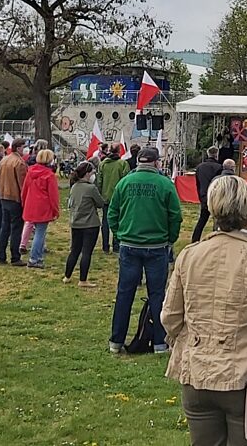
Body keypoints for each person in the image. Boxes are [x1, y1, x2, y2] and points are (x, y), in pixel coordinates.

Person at [162, 174, 247, 445]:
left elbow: (169, 316)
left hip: (197, 374)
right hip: (243, 376)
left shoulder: (190, 255)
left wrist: (180, 342)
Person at [107, 147, 182, 354]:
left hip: (129, 246)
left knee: (124, 294)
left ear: (138, 161)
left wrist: (121, 233)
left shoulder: (124, 183)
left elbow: (112, 213)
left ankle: (116, 341)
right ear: (157, 162)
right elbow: (175, 216)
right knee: (157, 295)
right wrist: (170, 239)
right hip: (157, 246)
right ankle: (159, 343)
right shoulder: (165, 184)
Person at [64, 161, 104, 286]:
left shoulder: (74, 186)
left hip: (76, 223)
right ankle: (83, 280)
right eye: (92, 172)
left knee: (74, 250)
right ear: (87, 174)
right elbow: (100, 203)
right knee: (86, 252)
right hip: (90, 224)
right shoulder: (91, 188)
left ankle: (67, 276)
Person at [21, 149, 60, 269]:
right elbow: (53, 195)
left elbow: (24, 190)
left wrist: (24, 204)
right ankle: (35, 258)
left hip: (30, 204)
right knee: (40, 233)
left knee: (36, 231)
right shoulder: (49, 175)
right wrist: (56, 210)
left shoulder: (30, 172)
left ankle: (36, 256)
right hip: (43, 206)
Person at [0, 140, 29, 266]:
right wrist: (24, 200)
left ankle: (1, 255)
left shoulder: (4, 160)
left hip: (4, 197)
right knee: (16, 229)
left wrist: (1, 192)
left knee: (4, 227)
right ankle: (15, 257)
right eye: (23, 147)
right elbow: (23, 184)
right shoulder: (19, 163)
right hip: (15, 198)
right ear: (19, 148)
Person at [98, 147, 130, 253]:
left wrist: (100, 194)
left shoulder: (102, 164)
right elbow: (126, 181)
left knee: (105, 222)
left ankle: (105, 246)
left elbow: (99, 181)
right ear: (119, 152)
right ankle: (116, 245)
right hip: (119, 198)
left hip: (105, 197)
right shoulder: (123, 164)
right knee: (119, 221)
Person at [191, 148, 222, 243]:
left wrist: (201, 196)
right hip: (215, 197)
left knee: (202, 220)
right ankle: (216, 240)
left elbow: (198, 183)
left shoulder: (200, 167)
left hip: (204, 196)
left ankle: (195, 240)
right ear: (216, 155)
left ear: (208, 154)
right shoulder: (219, 167)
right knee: (218, 220)